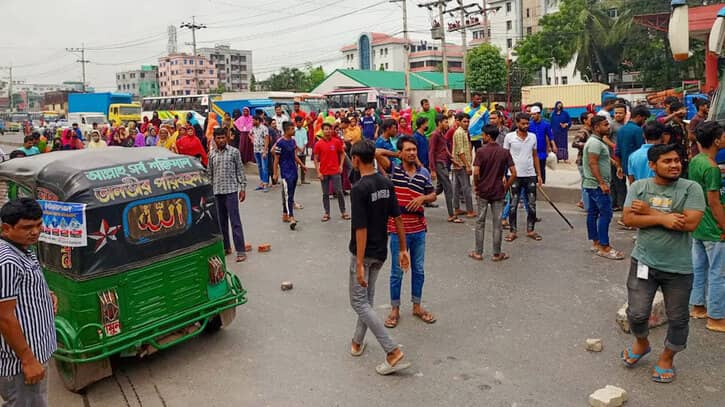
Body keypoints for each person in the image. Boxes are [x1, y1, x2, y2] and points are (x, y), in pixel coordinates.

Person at [621, 144, 706, 384]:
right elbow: (628, 218)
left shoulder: (691, 189)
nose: (674, 165)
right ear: (652, 165)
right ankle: (642, 343)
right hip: (644, 261)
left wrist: (647, 212)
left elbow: (688, 224)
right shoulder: (639, 187)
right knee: (636, 314)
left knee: (678, 318)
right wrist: (663, 218)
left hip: (679, 267)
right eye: (667, 161)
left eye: (677, 160)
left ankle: (667, 358)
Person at [347, 140, 411, 376]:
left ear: (355, 160)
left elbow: (360, 228)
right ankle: (357, 341)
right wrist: (403, 249)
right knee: (367, 299)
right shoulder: (386, 182)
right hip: (381, 251)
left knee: (358, 301)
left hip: (363, 253)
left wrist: (360, 264)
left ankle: (392, 351)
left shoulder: (359, 188)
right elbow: (399, 218)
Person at [374, 136, 437, 329]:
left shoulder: (423, 172)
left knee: (418, 269)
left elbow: (433, 193)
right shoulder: (394, 170)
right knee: (396, 272)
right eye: (408, 150)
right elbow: (376, 152)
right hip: (397, 229)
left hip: (418, 229)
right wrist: (396, 154)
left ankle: (417, 306)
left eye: (414, 150)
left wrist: (423, 198)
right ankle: (395, 309)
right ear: (401, 153)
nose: (412, 153)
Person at [0, 198, 57, 407]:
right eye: (27, 227)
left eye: (38, 225)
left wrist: (45, 294)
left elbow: (19, 289)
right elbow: (4, 316)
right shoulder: (6, 261)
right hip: (20, 363)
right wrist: (28, 360)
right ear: (6, 228)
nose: (35, 231)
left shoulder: (23, 247)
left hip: (35, 352)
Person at [687, 121, 725, 332]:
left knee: (699, 268)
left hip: (699, 225)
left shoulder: (697, 161)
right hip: (713, 228)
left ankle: (698, 306)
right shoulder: (711, 168)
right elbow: (714, 202)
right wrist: (724, 227)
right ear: (716, 140)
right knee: (719, 274)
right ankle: (716, 317)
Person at [470, 125, 516, 262]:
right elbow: (514, 173)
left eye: (483, 135)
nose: (482, 137)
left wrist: (477, 185)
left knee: (480, 222)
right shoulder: (504, 152)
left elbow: (476, 172)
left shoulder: (481, 151)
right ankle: (496, 253)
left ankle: (478, 252)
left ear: (488, 136)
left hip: (484, 191)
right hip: (498, 191)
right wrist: (506, 187)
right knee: (497, 223)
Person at [583, 116, 624, 260]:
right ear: (596, 128)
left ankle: (596, 243)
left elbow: (602, 158)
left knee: (593, 213)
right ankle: (604, 246)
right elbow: (593, 163)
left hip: (593, 184)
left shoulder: (598, 142)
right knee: (605, 214)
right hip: (597, 185)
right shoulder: (594, 143)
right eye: (605, 125)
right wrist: (602, 183)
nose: (609, 127)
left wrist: (615, 165)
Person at [208, 128, 248, 263]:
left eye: (223, 138)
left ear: (227, 138)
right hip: (217, 192)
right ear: (214, 139)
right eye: (218, 138)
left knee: (235, 221)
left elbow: (240, 171)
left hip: (231, 191)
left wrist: (242, 188)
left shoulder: (234, 152)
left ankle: (241, 250)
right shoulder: (212, 154)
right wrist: (209, 192)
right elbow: (210, 174)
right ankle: (226, 247)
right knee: (221, 222)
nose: (221, 140)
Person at [503, 113, 543, 242]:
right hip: (514, 175)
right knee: (513, 205)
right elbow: (504, 157)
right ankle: (512, 231)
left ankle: (530, 230)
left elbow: (535, 156)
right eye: (523, 123)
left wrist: (539, 175)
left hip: (530, 175)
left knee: (532, 205)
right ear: (517, 123)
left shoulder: (532, 137)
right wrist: (503, 175)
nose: (526, 126)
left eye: (527, 123)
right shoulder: (509, 137)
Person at [273, 122, 306, 230]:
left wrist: (302, 165)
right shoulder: (280, 143)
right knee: (288, 195)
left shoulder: (293, 141)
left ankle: (285, 214)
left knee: (291, 194)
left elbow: (295, 155)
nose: (294, 130)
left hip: (294, 170)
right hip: (285, 172)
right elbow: (276, 159)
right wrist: (275, 173)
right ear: (286, 130)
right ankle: (291, 217)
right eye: (292, 129)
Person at [314, 123, 349, 221]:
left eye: (329, 129)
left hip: (335, 171)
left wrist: (341, 165)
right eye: (326, 129)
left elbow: (342, 154)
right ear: (322, 130)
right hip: (324, 172)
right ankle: (326, 213)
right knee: (325, 194)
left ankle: (343, 211)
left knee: (339, 191)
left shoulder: (337, 142)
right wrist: (318, 172)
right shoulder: (318, 144)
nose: (328, 131)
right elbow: (316, 159)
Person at [429, 114, 458, 222]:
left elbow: (444, 148)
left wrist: (451, 158)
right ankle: (452, 215)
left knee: (439, 188)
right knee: (448, 188)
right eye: (445, 122)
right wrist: (432, 169)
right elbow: (431, 152)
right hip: (439, 164)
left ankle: (423, 200)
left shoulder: (441, 134)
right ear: (439, 122)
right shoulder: (435, 135)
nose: (447, 124)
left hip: (444, 162)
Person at [452, 112, 475, 218]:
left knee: (457, 186)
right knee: (466, 187)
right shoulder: (459, 133)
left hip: (459, 164)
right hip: (461, 164)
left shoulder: (464, 132)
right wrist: (468, 165)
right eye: (464, 121)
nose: (466, 123)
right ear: (459, 122)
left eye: (468, 121)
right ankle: (470, 210)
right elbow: (460, 151)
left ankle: (456, 208)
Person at [528, 105, 556, 184]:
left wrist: (553, 145)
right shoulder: (529, 124)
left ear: (539, 114)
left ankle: (542, 183)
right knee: (533, 169)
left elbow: (550, 136)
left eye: (534, 114)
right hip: (531, 151)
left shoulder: (545, 124)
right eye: (531, 114)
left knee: (541, 168)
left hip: (541, 151)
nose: (532, 116)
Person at [573, 112, 594, 210]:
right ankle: (587, 206)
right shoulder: (583, 131)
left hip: (589, 161)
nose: (593, 120)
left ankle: (583, 202)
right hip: (583, 161)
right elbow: (575, 143)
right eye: (591, 118)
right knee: (586, 183)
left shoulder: (592, 131)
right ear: (585, 120)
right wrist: (588, 145)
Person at [251, 115, 271, 191]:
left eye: (253, 120)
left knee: (264, 167)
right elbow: (250, 134)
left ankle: (266, 184)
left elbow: (267, 139)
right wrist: (252, 139)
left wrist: (265, 151)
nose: (252, 122)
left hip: (263, 150)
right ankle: (262, 182)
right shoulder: (253, 128)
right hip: (256, 149)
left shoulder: (264, 128)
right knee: (259, 167)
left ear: (258, 120)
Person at [293, 117, 309, 185]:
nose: (301, 123)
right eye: (299, 122)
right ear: (296, 122)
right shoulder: (293, 130)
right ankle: (295, 180)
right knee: (295, 166)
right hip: (296, 151)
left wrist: (303, 148)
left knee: (303, 165)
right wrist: (299, 148)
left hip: (303, 150)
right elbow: (293, 141)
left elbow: (305, 140)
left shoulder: (304, 130)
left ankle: (303, 179)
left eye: (302, 122)